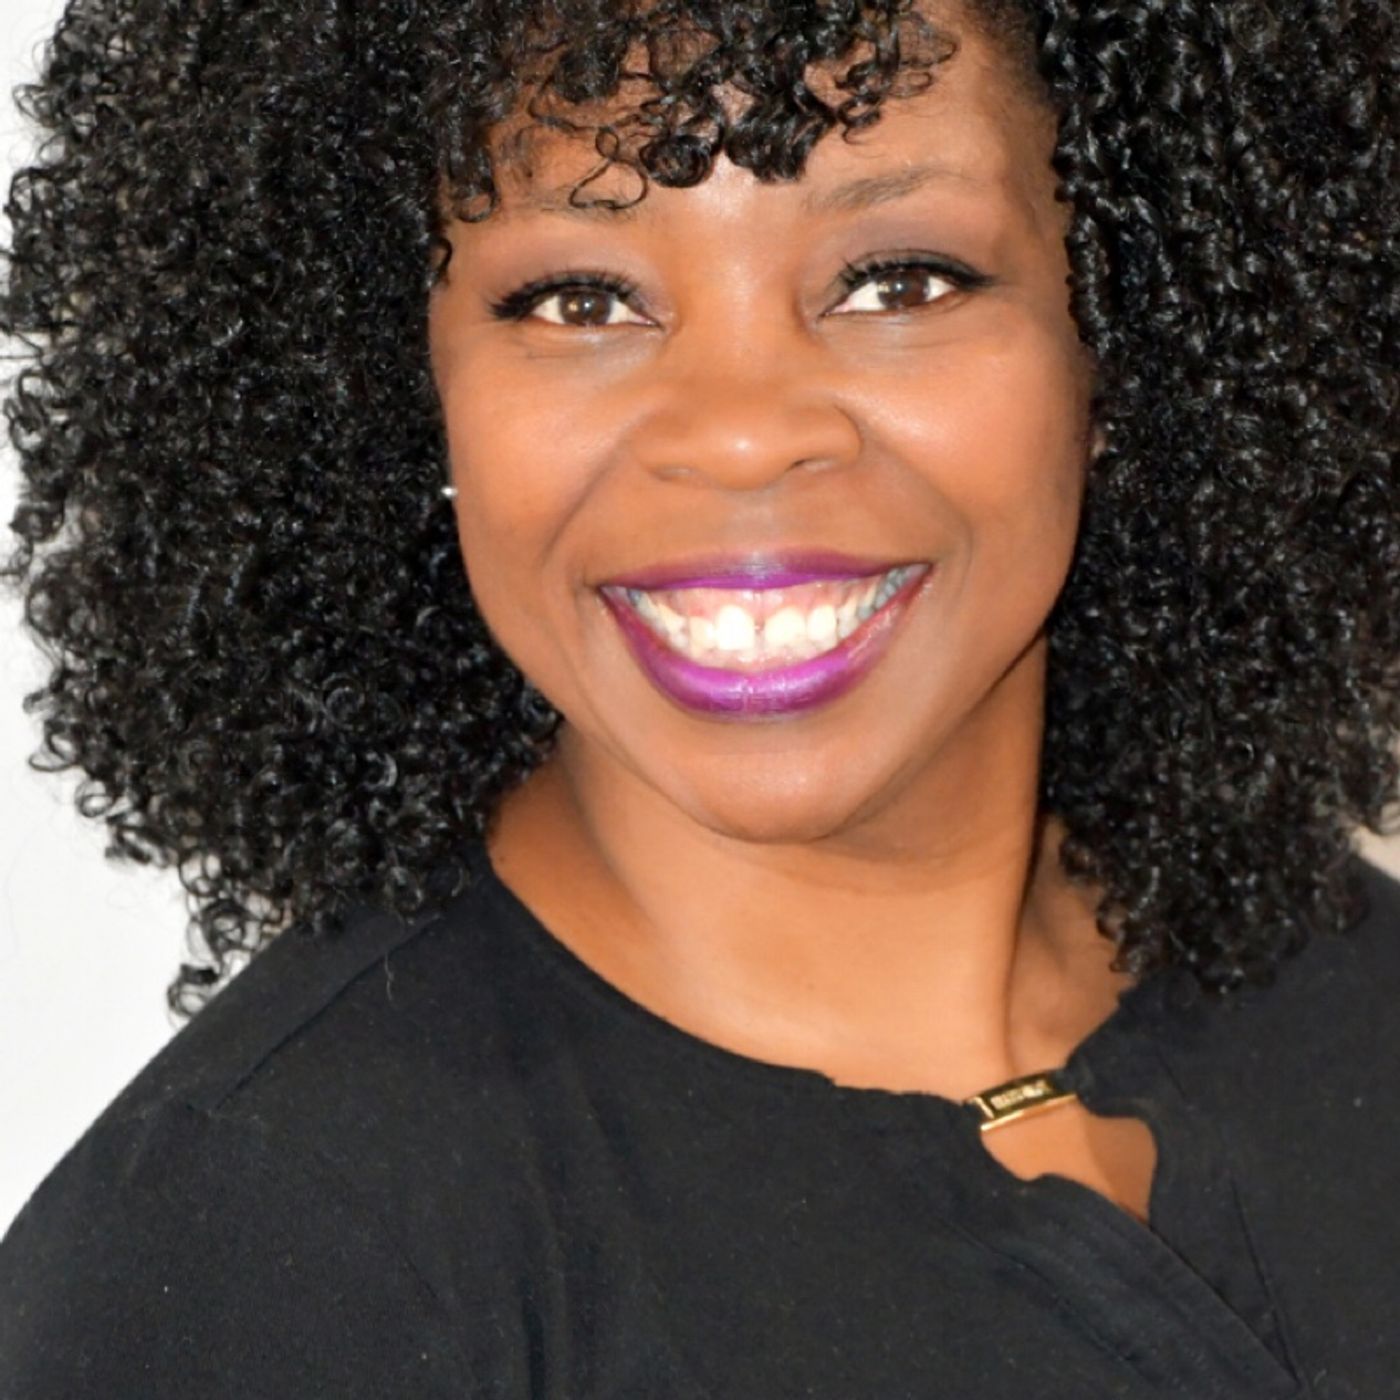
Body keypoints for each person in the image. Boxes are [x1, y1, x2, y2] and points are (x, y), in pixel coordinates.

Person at [0, 0, 1396, 1392]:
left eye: (897, 281)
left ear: (1130, 343)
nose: (739, 434)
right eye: (581, 302)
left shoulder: (1355, 989)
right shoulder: (263, 1256)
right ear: (399, 390)